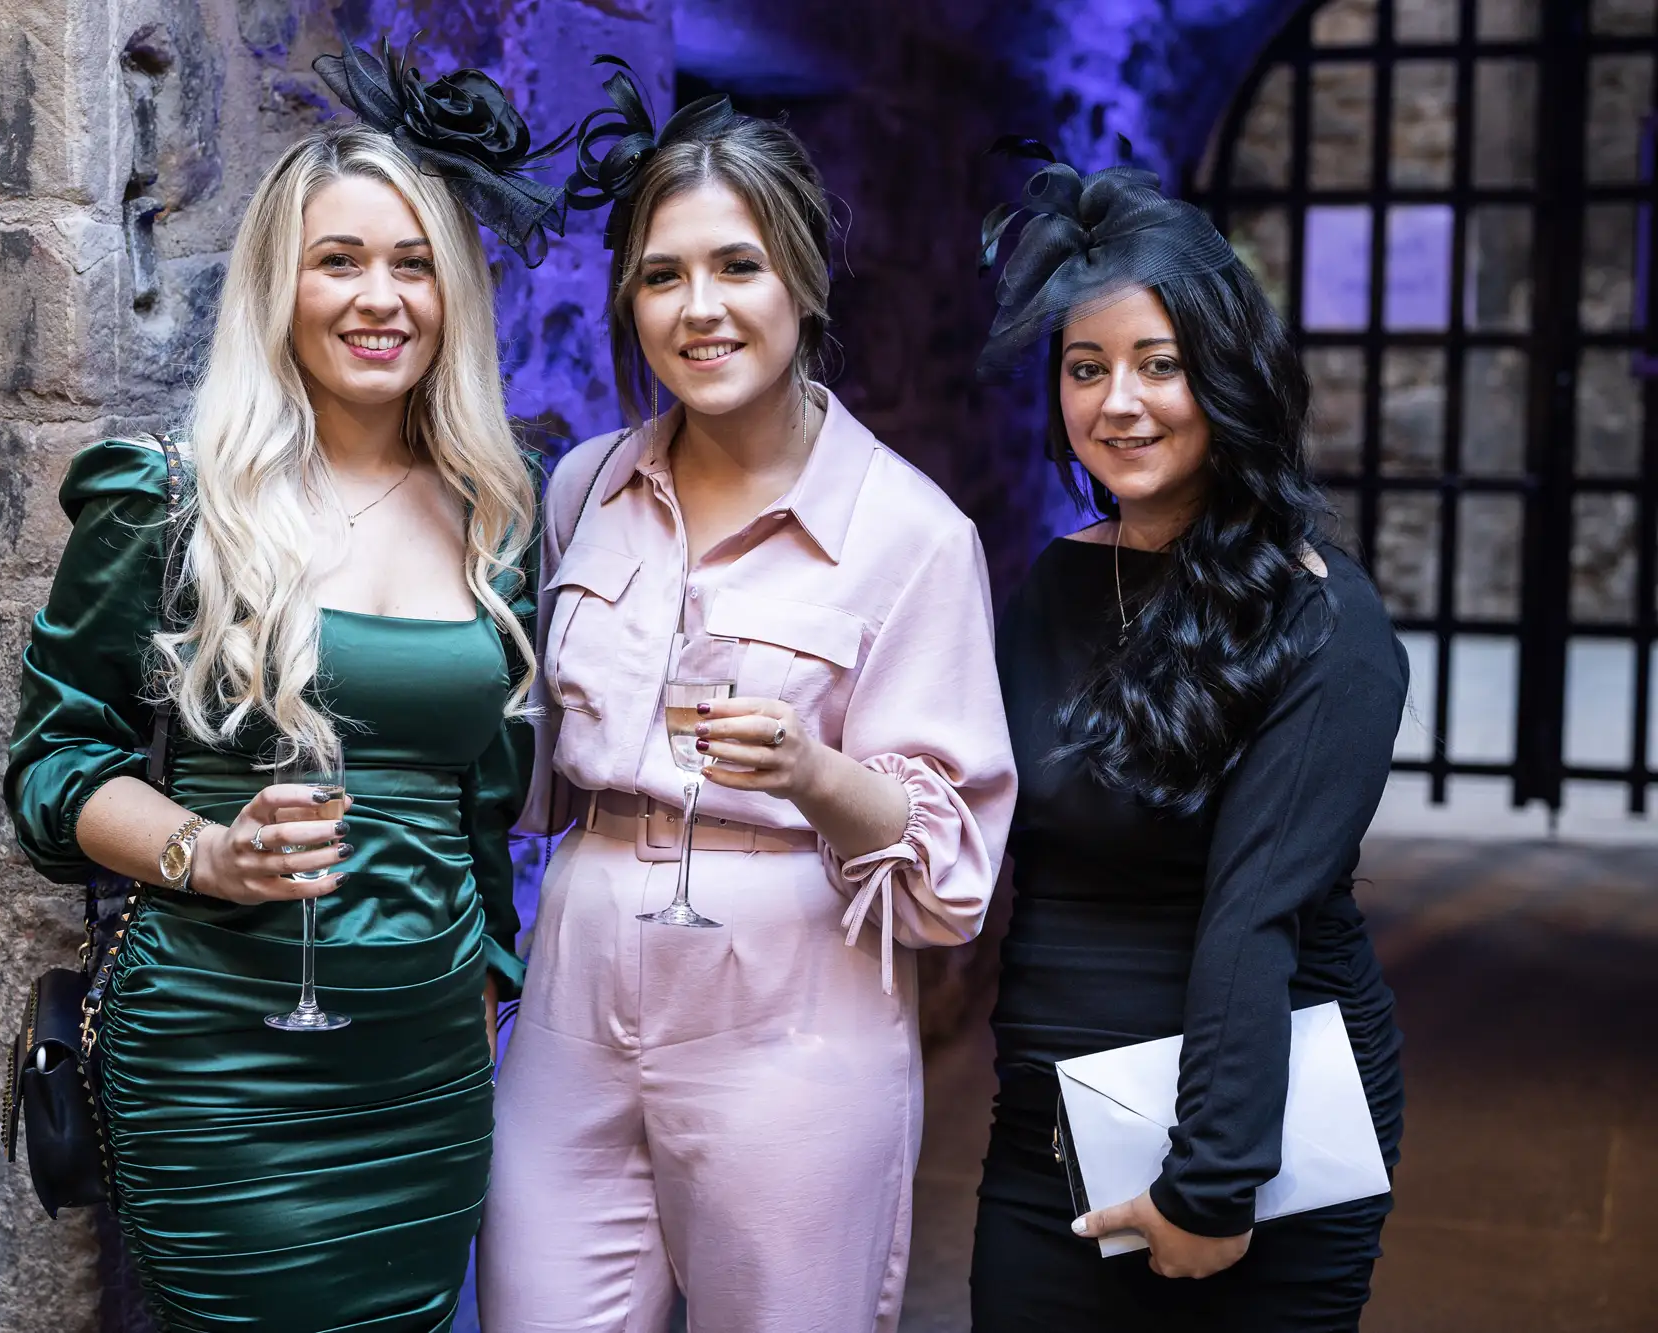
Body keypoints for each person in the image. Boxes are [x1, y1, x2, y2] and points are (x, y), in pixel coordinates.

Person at [3, 42, 564, 1333]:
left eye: (412, 263)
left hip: (424, 1063)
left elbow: (482, 803)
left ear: (453, 293)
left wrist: (480, 977)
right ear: (281, 285)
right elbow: (50, 769)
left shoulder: (495, 515)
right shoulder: (168, 501)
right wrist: (208, 850)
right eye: (341, 260)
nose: (382, 298)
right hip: (224, 1052)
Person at [477, 64, 1016, 1333]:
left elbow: (949, 887)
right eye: (661, 276)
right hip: (579, 978)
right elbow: (543, 763)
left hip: (791, 1006)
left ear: (801, 287)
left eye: (737, 268)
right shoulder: (584, 490)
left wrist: (811, 772)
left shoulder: (910, 536)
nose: (697, 309)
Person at [967, 161, 1408, 1332]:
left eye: (1158, 364)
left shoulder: (1322, 619)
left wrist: (1209, 1188)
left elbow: (1252, 914)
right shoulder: (1054, 582)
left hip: (1254, 1140)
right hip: (1049, 1129)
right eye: (1084, 368)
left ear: (1226, 375)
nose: (1119, 402)